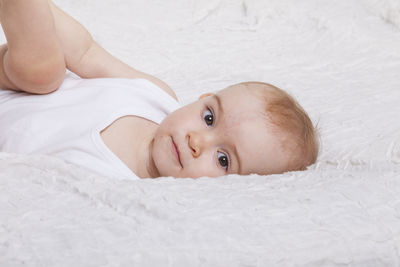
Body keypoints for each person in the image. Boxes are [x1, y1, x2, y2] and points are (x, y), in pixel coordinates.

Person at [0, 0, 319, 179]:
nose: (198, 141)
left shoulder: (117, 184)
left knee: (43, 73)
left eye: (223, 160)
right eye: (209, 118)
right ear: (204, 98)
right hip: (15, 76)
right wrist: (42, 17)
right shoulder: (155, 95)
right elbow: (86, 53)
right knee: (45, 73)